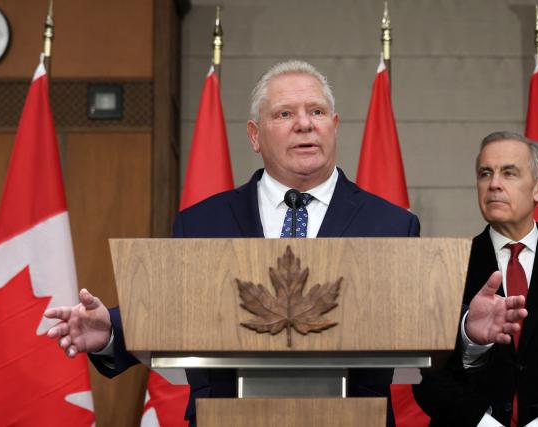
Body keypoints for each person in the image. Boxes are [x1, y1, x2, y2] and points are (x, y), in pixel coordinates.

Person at [44, 60, 420, 426]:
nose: (304, 124)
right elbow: (175, 307)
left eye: (317, 112)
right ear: (255, 135)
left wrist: (469, 329)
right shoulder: (201, 223)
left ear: (334, 127)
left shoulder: (392, 224)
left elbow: (418, 320)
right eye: (285, 114)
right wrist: (110, 330)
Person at [416, 131, 538, 426]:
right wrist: (471, 343)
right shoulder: (445, 265)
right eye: (485, 173)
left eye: (509, 173)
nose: (493, 183)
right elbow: (426, 376)